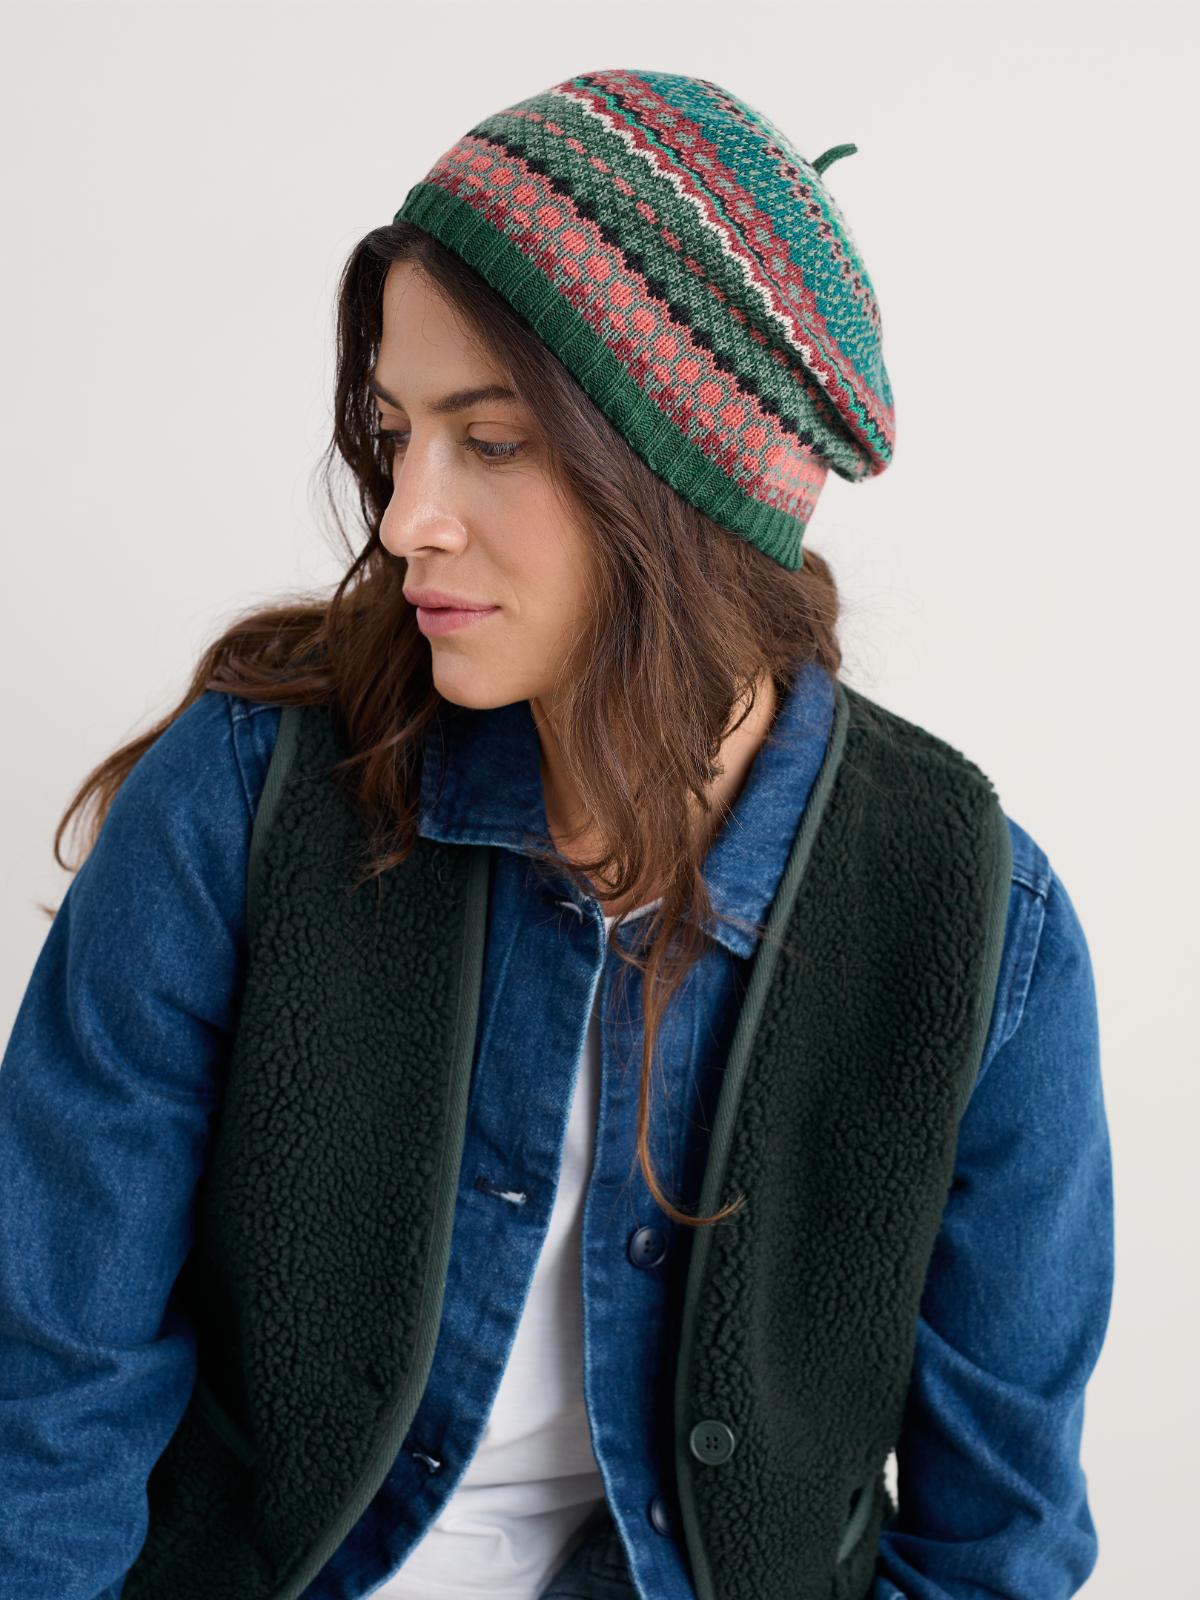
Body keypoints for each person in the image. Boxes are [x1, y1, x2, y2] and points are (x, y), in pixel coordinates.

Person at [0, 68, 1112, 1600]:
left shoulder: (978, 923)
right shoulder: (246, 795)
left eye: (493, 440)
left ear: (686, 482)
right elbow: (47, 1389)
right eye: (396, 433)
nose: (406, 517)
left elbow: (999, 1540)